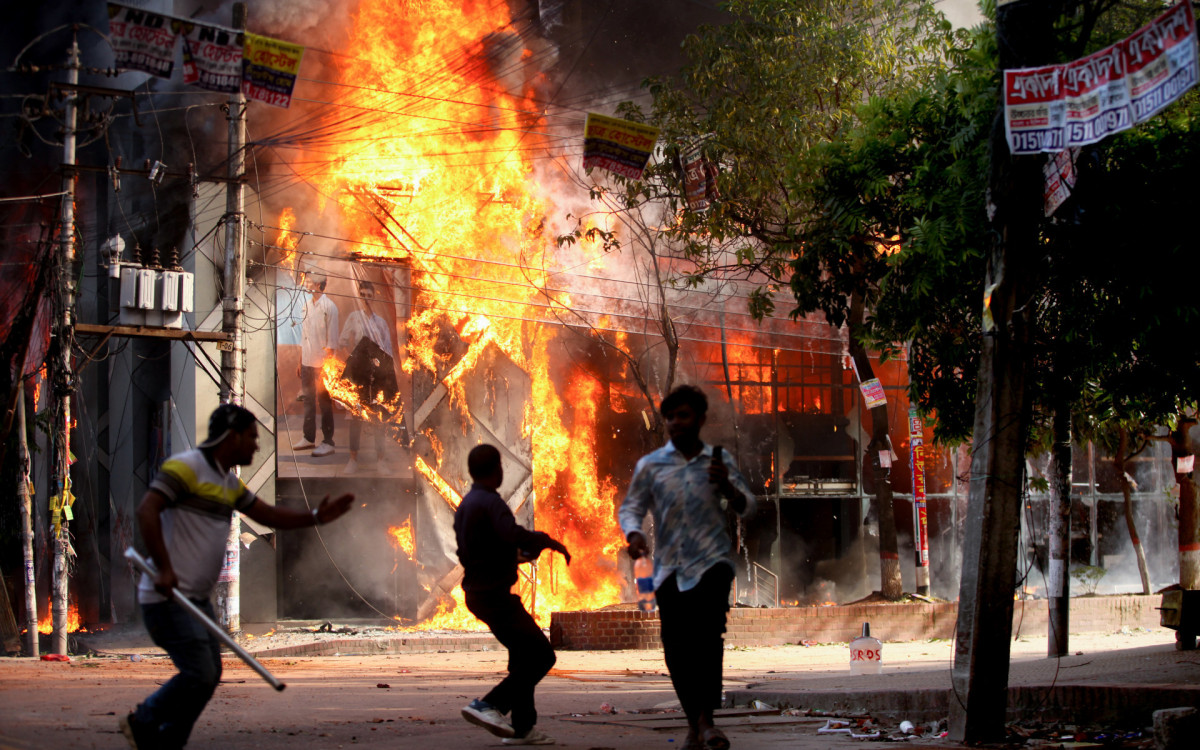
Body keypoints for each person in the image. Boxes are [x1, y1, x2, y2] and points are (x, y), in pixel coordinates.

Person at [120, 403, 355, 749]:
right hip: (168, 598)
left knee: (209, 674)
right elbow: (147, 511)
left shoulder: (227, 483)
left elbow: (269, 514)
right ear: (231, 436)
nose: (256, 446)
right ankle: (145, 719)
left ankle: (167, 740)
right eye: (251, 438)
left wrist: (317, 517)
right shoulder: (186, 468)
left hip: (195, 600)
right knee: (200, 672)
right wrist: (165, 567)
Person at [619, 385, 755, 750]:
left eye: (684, 415)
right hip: (668, 570)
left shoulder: (718, 461)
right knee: (676, 649)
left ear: (700, 419)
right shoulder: (651, 466)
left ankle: (706, 723)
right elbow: (631, 507)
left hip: (712, 565)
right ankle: (695, 724)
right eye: (670, 417)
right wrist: (633, 534)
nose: (676, 423)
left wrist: (727, 486)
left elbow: (748, 505)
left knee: (708, 643)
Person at [454, 444, 572, 746]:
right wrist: (546, 540)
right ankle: (489, 705)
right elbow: (512, 534)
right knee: (543, 655)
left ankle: (523, 729)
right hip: (494, 595)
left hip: (479, 593)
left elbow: (481, 549)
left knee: (522, 656)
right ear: (498, 469)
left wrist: (513, 557)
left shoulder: (467, 504)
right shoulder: (491, 503)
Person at [337, 279, 395, 473]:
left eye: (369, 295)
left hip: (377, 377)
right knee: (356, 417)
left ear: (374, 298)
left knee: (378, 418)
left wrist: (383, 373)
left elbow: (388, 349)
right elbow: (343, 341)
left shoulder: (381, 322)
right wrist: (351, 361)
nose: (366, 299)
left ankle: (381, 460)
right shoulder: (354, 317)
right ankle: (353, 460)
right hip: (359, 376)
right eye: (362, 295)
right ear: (359, 297)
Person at [292, 269, 339, 458]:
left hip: (322, 366)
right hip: (306, 362)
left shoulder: (330, 307)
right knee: (309, 401)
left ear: (319, 284)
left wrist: (327, 369)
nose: (306, 282)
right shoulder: (306, 305)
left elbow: (332, 342)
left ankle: (328, 442)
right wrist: (300, 361)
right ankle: (308, 437)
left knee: (324, 403)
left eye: (309, 280)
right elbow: (304, 337)